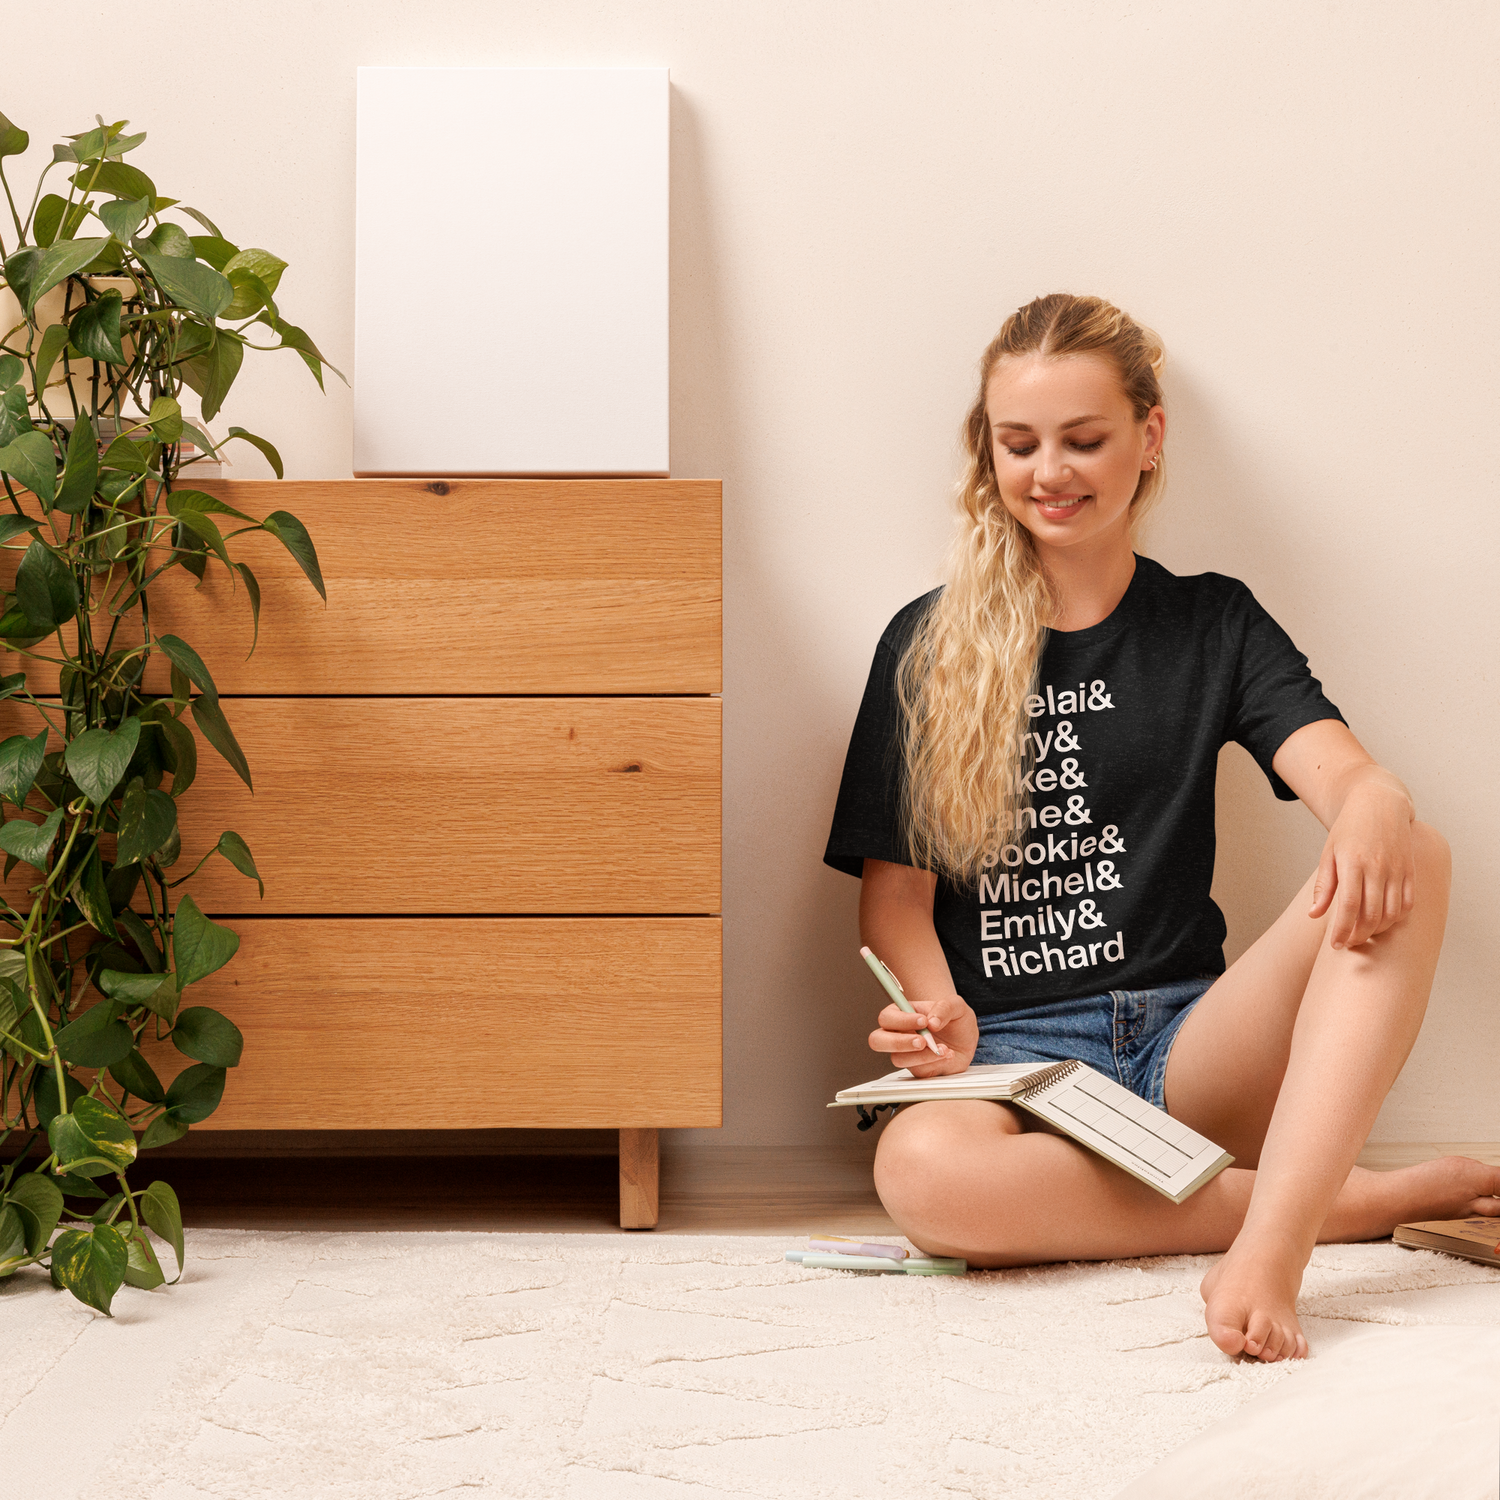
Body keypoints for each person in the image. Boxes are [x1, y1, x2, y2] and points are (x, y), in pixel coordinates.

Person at [823, 292, 1499, 1363]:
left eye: (1085, 439)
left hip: (1192, 1055)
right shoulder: (925, 642)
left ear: (1149, 437)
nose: (1052, 471)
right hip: (1014, 1070)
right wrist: (933, 1005)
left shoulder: (1210, 621)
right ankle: (1345, 1203)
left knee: (1412, 849)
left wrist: (1374, 798)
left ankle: (1271, 1247)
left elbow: (1343, 773)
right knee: (920, 1175)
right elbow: (895, 897)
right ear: (987, 454)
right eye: (1020, 443)